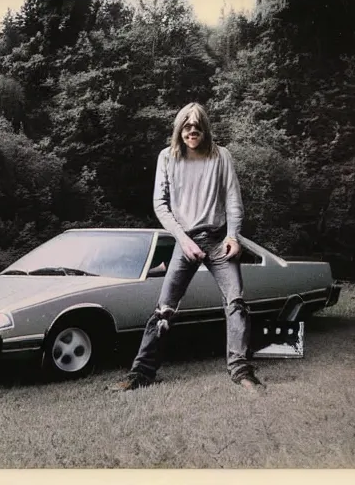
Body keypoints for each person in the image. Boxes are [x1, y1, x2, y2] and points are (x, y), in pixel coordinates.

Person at [112, 102, 264, 393]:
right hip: (186, 240)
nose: (191, 130)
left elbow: (233, 200)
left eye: (197, 126)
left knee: (236, 303)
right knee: (164, 309)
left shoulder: (222, 157)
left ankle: (241, 371)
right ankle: (141, 373)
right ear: (179, 129)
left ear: (205, 128)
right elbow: (160, 204)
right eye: (186, 125)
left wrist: (233, 236)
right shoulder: (167, 158)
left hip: (220, 240)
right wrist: (183, 240)